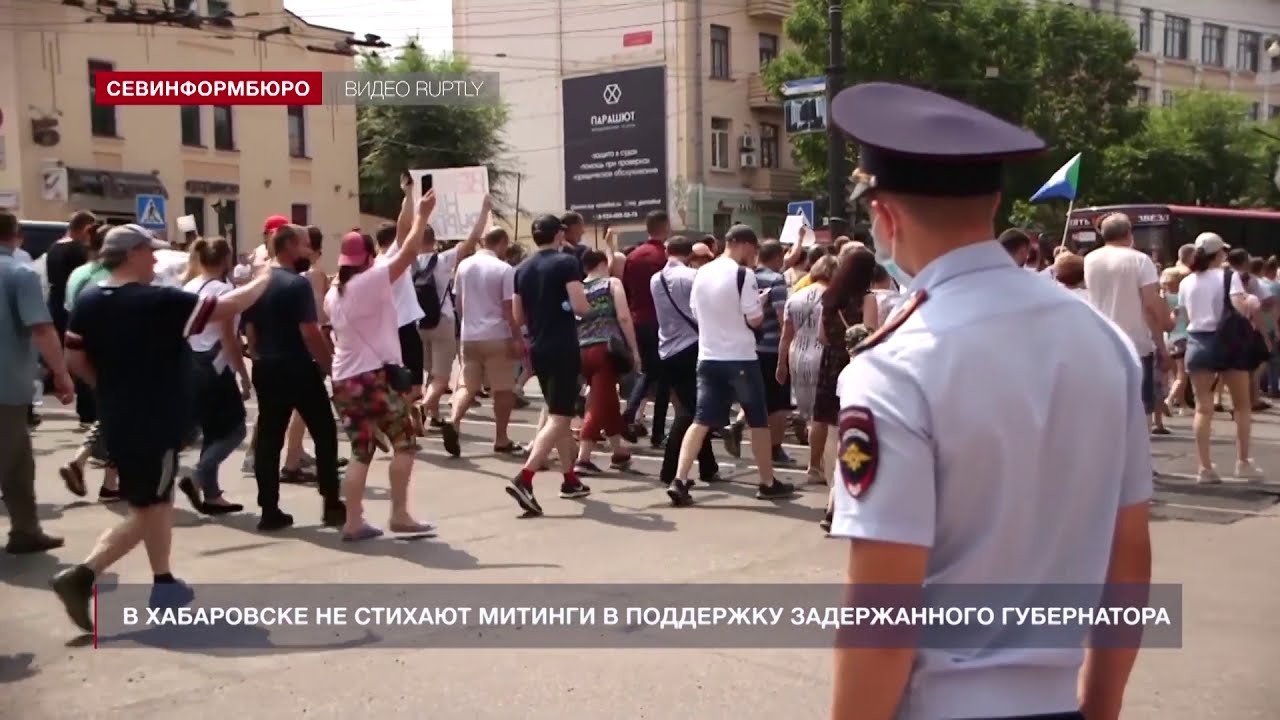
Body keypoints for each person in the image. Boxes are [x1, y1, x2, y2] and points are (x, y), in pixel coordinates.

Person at [827, 82, 1151, 720]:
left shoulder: (895, 366)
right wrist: (1102, 703)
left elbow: (882, 617)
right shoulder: (1103, 342)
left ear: (884, 216)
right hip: (1058, 704)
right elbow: (1130, 553)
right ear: (995, 201)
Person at [51, 224, 272, 631]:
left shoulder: (90, 299)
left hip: (119, 417)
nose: (155, 259)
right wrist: (263, 278)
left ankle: (164, 584)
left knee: (150, 505)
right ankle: (83, 576)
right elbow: (224, 308)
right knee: (152, 509)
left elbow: (74, 359)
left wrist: (109, 386)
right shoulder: (157, 300)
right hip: (156, 420)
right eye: (149, 252)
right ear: (132, 253)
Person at [326, 195, 436, 541]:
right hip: (375, 377)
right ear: (369, 257)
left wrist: (408, 207)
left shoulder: (335, 292)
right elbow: (407, 253)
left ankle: (353, 521)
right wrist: (422, 216)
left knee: (361, 452)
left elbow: (399, 248)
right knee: (404, 442)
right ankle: (400, 514)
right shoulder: (369, 281)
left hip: (344, 379)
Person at [666, 224, 795, 506]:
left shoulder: (702, 273)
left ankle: (680, 478)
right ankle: (767, 481)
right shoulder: (743, 275)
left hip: (708, 356)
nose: (754, 255)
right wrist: (758, 304)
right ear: (744, 245)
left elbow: (696, 312)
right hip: (740, 357)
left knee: (701, 419)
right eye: (753, 249)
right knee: (758, 420)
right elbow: (755, 319)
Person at [243, 224, 346, 531]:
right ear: (289, 246)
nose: (307, 252)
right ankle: (330, 502)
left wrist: (258, 356)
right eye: (303, 245)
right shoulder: (296, 284)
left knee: (269, 437)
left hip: (267, 366)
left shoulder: (258, 281)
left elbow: (249, 330)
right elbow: (310, 333)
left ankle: (269, 508)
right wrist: (330, 368)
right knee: (325, 432)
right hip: (297, 366)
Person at [1, 211, 75, 554]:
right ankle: (25, 531)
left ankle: (26, 530)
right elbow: (42, 328)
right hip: (7, 386)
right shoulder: (19, 274)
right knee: (15, 462)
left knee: (18, 460)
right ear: (16, 237)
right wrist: (61, 373)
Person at [507, 215, 592, 515]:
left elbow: (518, 317)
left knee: (560, 412)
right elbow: (580, 305)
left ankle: (570, 479)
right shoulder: (566, 262)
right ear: (559, 235)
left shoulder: (522, 269)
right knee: (559, 417)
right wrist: (584, 308)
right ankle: (525, 477)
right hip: (564, 345)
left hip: (538, 347)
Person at [1179, 233, 1263, 483]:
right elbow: (1240, 306)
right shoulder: (1229, 276)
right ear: (1219, 254)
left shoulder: (1187, 282)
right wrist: (1252, 301)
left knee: (1203, 408)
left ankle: (1204, 467)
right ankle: (1242, 461)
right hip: (1227, 342)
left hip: (1197, 342)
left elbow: (1184, 316)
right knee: (1241, 406)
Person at [177, 237, 249, 515]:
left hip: (192, 364)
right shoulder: (223, 290)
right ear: (226, 260)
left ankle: (212, 493)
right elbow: (229, 337)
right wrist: (243, 374)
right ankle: (197, 477)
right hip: (215, 366)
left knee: (212, 429)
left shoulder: (190, 286)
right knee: (235, 429)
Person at [1084, 213, 1171, 427]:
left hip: (1102, 342)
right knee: (1141, 409)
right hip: (1136, 343)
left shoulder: (1090, 259)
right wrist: (1164, 332)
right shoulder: (1140, 260)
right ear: (1128, 233)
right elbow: (1150, 304)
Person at [651, 237, 722, 486]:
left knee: (692, 406)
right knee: (693, 412)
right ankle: (670, 470)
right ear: (690, 255)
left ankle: (708, 466)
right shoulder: (692, 278)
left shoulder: (655, 279)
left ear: (667, 251)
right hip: (692, 345)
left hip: (667, 347)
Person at [448, 226, 525, 455]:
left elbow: (459, 303)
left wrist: (464, 328)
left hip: (469, 334)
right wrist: (516, 337)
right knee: (503, 389)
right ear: (502, 242)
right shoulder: (504, 269)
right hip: (496, 334)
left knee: (467, 385)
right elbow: (507, 308)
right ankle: (501, 438)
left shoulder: (463, 266)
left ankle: (453, 421)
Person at [573, 249, 641, 472]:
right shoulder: (612, 284)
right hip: (605, 348)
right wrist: (634, 349)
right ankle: (583, 457)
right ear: (603, 264)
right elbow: (623, 316)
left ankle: (618, 451)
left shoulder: (578, 288)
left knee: (607, 399)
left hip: (581, 349)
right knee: (599, 404)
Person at [778, 255, 837, 484]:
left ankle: (816, 464)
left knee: (812, 414)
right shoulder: (833, 297)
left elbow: (786, 335)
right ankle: (818, 464)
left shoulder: (796, 296)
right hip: (823, 356)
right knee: (823, 416)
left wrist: (780, 364)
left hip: (798, 354)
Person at [43, 210, 97, 428]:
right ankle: (87, 412)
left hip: (55, 306)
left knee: (67, 356)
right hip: (73, 308)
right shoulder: (77, 250)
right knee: (82, 356)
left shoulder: (53, 248)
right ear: (85, 229)